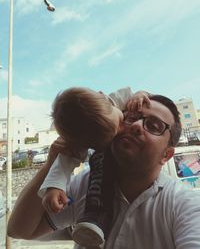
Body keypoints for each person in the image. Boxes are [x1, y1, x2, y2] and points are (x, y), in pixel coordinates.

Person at [7, 93, 200, 249]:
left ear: (166, 154)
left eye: (153, 126)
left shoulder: (184, 205)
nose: (136, 125)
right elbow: (19, 230)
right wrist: (52, 163)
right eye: (131, 117)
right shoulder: (86, 185)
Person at [38, 86, 150, 248]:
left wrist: (142, 95)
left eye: (120, 121)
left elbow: (154, 102)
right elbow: (64, 162)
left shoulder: (120, 98)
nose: (122, 129)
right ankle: (95, 219)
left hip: (131, 166)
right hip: (104, 171)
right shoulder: (83, 135)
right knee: (100, 163)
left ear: (104, 98)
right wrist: (55, 186)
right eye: (115, 133)